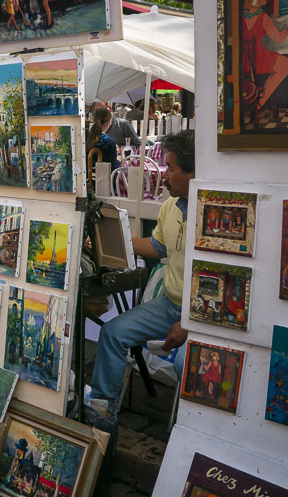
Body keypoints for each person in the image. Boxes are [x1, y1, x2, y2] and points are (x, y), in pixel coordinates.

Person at [89, 129, 196, 416]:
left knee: (186, 364)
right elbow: (157, 246)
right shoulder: (170, 206)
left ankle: (182, 431)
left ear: (192, 173)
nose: (163, 175)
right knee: (112, 333)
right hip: (169, 304)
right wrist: (106, 242)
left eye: (170, 169)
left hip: (200, 315)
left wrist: (189, 324)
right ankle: (102, 413)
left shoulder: (211, 212)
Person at [242, 0, 288, 108]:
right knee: (286, 64)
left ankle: (262, 92)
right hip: (260, 59)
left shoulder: (242, 17)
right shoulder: (262, 16)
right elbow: (278, 38)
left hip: (245, 61)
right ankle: (261, 100)